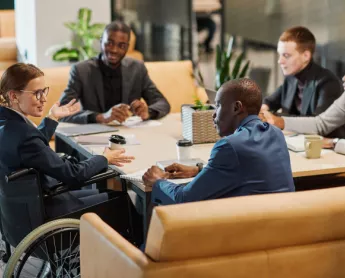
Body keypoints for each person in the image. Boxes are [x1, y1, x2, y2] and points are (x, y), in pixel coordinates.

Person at [0, 63, 134, 217]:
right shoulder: (24, 136)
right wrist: (104, 158)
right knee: (124, 201)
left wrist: (53, 117)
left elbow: (31, 148)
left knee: (105, 192)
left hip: (24, 209)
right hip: (48, 210)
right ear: (13, 96)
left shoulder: (7, 123)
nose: (44, 99)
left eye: (44, 91)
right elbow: (73, 175)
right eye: (37, 93)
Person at [142, 78, 295, 205]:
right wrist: (199, 171)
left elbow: (185, 199)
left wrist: (158, 181)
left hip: (247, 235)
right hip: (280, 230)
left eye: (219, 106)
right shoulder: (276, 133)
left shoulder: (230, 146)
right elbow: (247, 172)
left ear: (237, 107)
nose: (213, 115)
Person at [59, 20, 170, 124]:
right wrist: (100, 117)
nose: (114, 50)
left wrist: (148, 112)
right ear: (101, 41)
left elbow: (162, 103)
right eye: (109, 43)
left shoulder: (137, 68)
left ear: (127, 47)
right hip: (95, 136)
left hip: (129, 134)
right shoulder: (81, 70)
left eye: (121, 46)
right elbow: (62, 112)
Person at [261, 26, 344, 137]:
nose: (280, 61)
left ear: (306, 56)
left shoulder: (328, 82)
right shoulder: (291, 78)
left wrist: (276, 119)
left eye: (286, 55)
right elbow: (270, 101)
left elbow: (318, 124)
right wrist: (263, 110)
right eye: (279, 54)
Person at [261, 75, 345, 149]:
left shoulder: (328, 81)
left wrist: (335, 142)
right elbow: (321, 124)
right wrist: (278, 122)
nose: (343, 78)